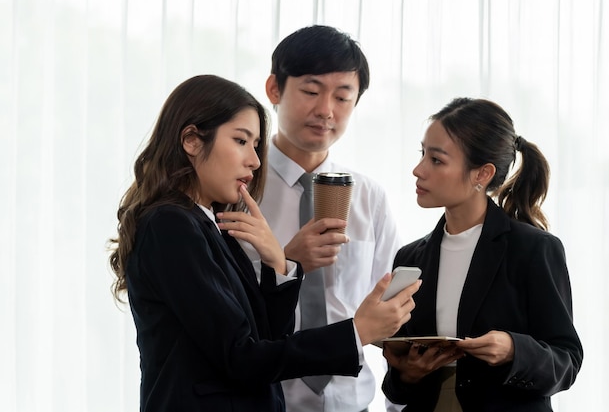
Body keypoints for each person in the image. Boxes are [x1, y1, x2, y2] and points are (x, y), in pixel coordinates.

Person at [107, 75, 420, 412]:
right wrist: (356, 332)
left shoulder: (209, 222)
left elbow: (264, 339)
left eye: (256, 145)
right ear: (192, 140)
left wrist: (280, 264)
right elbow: (241, 358)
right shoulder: (171, 224)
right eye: (241, 141)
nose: (255, 161)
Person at [382, 98, 583, 411]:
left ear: (482, 174)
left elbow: (566, 360)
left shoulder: (534, 249)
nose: (418, 170)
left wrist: (514, 350)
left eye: (436, 160)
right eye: (423, 154)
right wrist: (407, 375)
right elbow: (397, 382)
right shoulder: (410, 257)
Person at [240, 25, 403, 412]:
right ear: (274, 90)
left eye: (343, 97)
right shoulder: (240, 190)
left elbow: (392, 310)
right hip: (262, 399)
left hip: (351, 403)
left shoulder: (369, 197)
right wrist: (287, 263)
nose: (326, 110)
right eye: (311, 92)